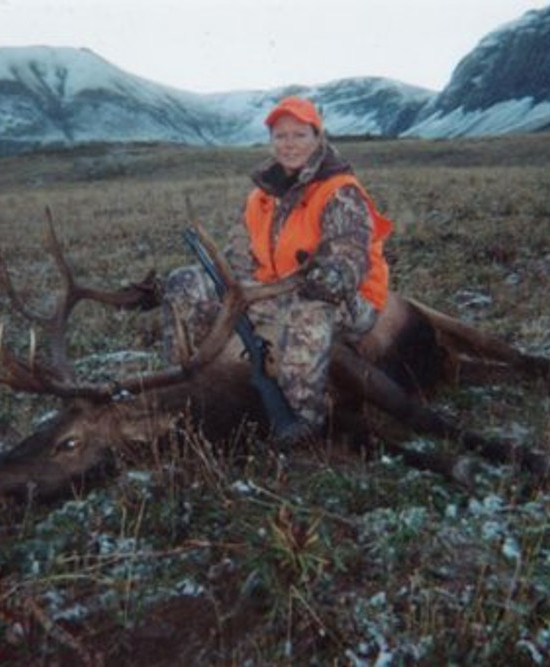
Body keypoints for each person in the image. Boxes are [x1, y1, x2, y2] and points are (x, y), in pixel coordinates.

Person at [162, 95, 392, 446]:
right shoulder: (261, 195)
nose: (289, 145)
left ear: (318, 137)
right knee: (184, 282)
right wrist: (226, 283)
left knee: (309, 309)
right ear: (271, 141)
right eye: (281, 136)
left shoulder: (339, 192)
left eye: (299, 135)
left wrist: (326, 277)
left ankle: (303, 419)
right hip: (275, 289)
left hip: (347, 298)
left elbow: (349, 260)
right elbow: (240, 253)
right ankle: (184, 379)